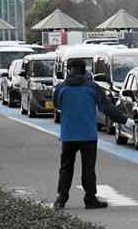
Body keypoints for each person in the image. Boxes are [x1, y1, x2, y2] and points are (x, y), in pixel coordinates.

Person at [53, 59, 133, 210]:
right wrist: (124, 120)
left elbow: (57, 104)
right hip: (88, 135)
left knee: (66, 168)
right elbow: (107, 107)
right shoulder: (93, 87)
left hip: (68, 135)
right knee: (88, 168)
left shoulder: (61, 88)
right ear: (84, 70)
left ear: (69, 70)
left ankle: (61, 199)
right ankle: (90, 199)